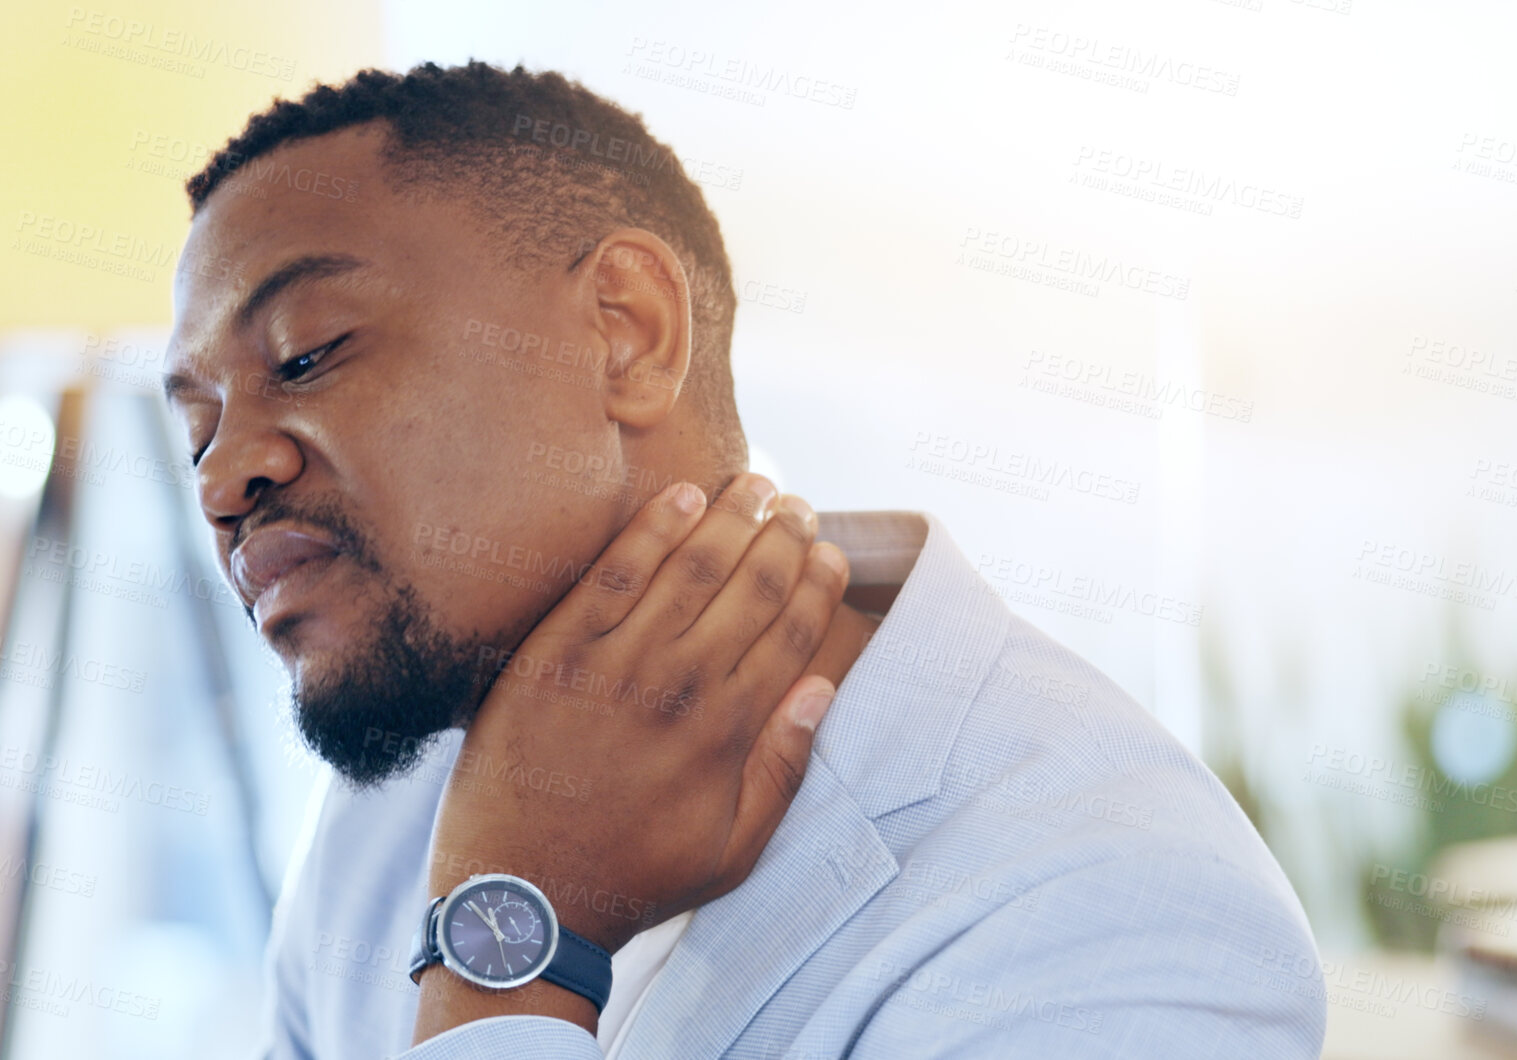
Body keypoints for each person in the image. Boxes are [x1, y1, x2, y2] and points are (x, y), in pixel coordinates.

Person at [161, 61, 1326, 1059]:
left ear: (628, 329)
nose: (221, 481)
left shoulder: (1118, 906)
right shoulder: (386, 798)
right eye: (196, 422)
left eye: (307, 354)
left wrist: (510, 942)